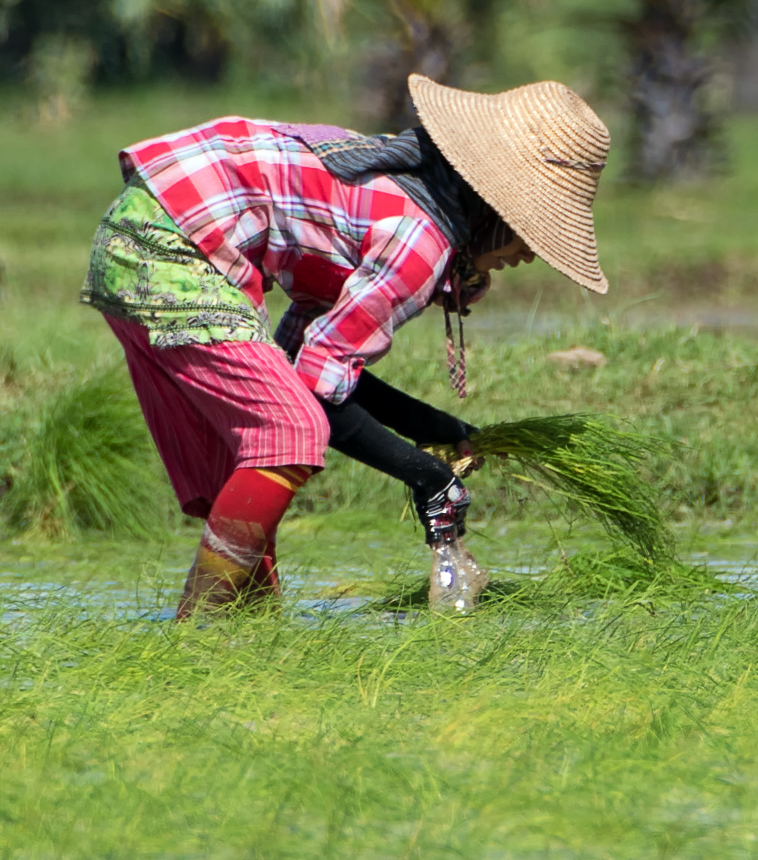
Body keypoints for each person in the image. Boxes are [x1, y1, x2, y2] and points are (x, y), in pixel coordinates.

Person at [82, 73, 610, 616]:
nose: (527, 257)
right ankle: (199, 629)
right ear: (494, 211)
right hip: (175, 246)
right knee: (289, 431)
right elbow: (318, 393)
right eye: (531, 234)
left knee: (256, 460)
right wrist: (425, 476)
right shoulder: (420, 239)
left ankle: (251, 632)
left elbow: (310, 368)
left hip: (140, 231)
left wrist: (441, 433)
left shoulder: (397, 190)